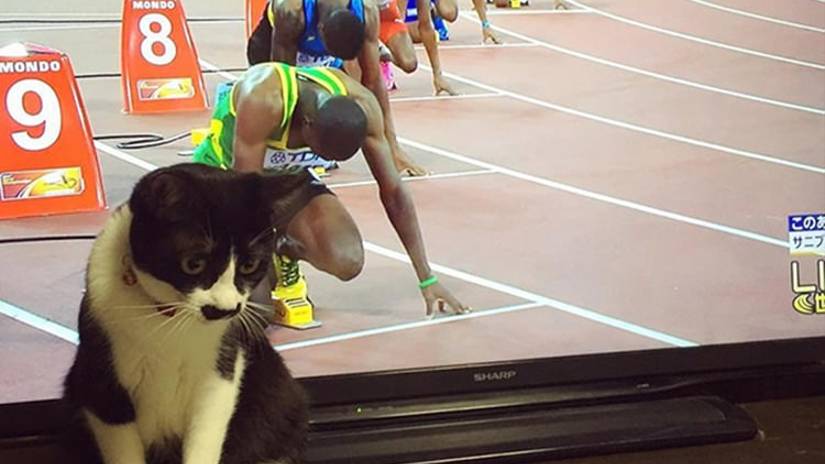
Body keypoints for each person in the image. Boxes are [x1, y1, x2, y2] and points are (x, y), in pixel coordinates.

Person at [192, 62, 470, 321]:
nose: (321, 158)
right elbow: (245, 200)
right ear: (308, 123)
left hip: (287, 180)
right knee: (257, 312)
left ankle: (284, 251)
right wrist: (252, 267)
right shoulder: (264, 100)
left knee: (346, 260)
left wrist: (426, 277)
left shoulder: (363, 105)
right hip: (226, 181)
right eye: (319, 150)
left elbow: (394, 193)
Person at [246, 0, 429, 177]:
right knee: (277, 106)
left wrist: (393, 149)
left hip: (323, 49)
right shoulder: (291, 11)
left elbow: (373, 82)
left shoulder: (366, 11)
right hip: (271, 50)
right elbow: (284, 84)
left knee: (344, 99)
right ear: (320, 30)